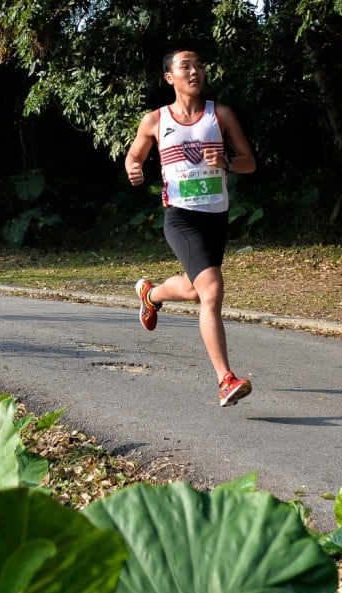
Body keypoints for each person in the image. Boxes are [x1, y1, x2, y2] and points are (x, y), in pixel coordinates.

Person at [125, 48, 256, 407]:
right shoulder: (155, 120)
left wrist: (227, 161)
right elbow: (134, 156)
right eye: (186, 67)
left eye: (199, 66)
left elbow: (249, 163)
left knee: (199, 292)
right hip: (181, 217)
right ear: (170, 77)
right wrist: (133, 168)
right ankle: (225, 379)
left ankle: (150, 295)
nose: (195, 71)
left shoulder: (221, 115)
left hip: (216, 218)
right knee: (212, 289)